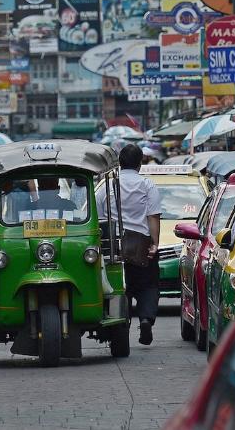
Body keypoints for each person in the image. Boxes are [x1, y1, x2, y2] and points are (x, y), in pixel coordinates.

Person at [97, 144, 162, 346]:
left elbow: (99, 217)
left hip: (113, 246)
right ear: (140, 163)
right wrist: (155, 244)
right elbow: (153, 217)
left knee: (117, 288)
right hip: (140, 245)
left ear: (119, 163)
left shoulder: (107, 186)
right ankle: (145, 319)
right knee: (148, 286)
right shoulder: (147, 185)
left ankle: (118, 324)